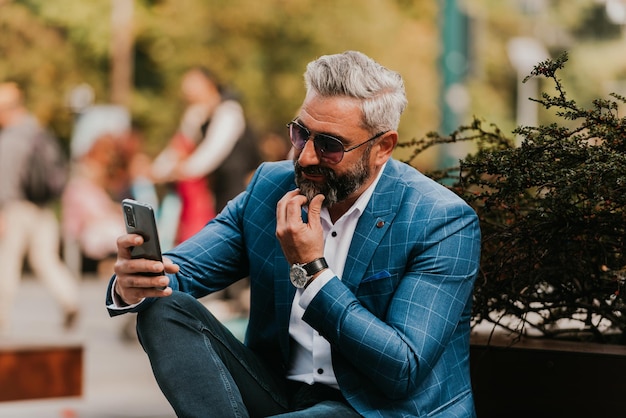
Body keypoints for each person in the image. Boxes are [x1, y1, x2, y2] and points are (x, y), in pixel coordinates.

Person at [107, 51, 481, 417]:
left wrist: (312, 270)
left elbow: (402, 368)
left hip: (376, 406)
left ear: (382, 147)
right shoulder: (273, 187)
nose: (304, 157)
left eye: (330, 146)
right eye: (301, 133)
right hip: (279, 392)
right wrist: (136, 279)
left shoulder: (440, 220)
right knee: (163, 306)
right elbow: (181, 271)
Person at [0, 82, 79, 332]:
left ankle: (1, 316)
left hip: (16, 208)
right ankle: (70, 300)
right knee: (46, 258)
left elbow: (5, 179)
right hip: (43, 207)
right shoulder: (39, 131)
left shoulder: (10, 138)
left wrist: (2, 212)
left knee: (7, 263)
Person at [151, 66, 262, 244]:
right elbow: (179, 146)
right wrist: (158, 169)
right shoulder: (198, 114)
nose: (188, 96)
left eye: (192, 91)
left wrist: (182, 170)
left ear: (209, 86)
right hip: (219, 188)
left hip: (238, 185)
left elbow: (211, 153)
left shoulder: (229, 111)